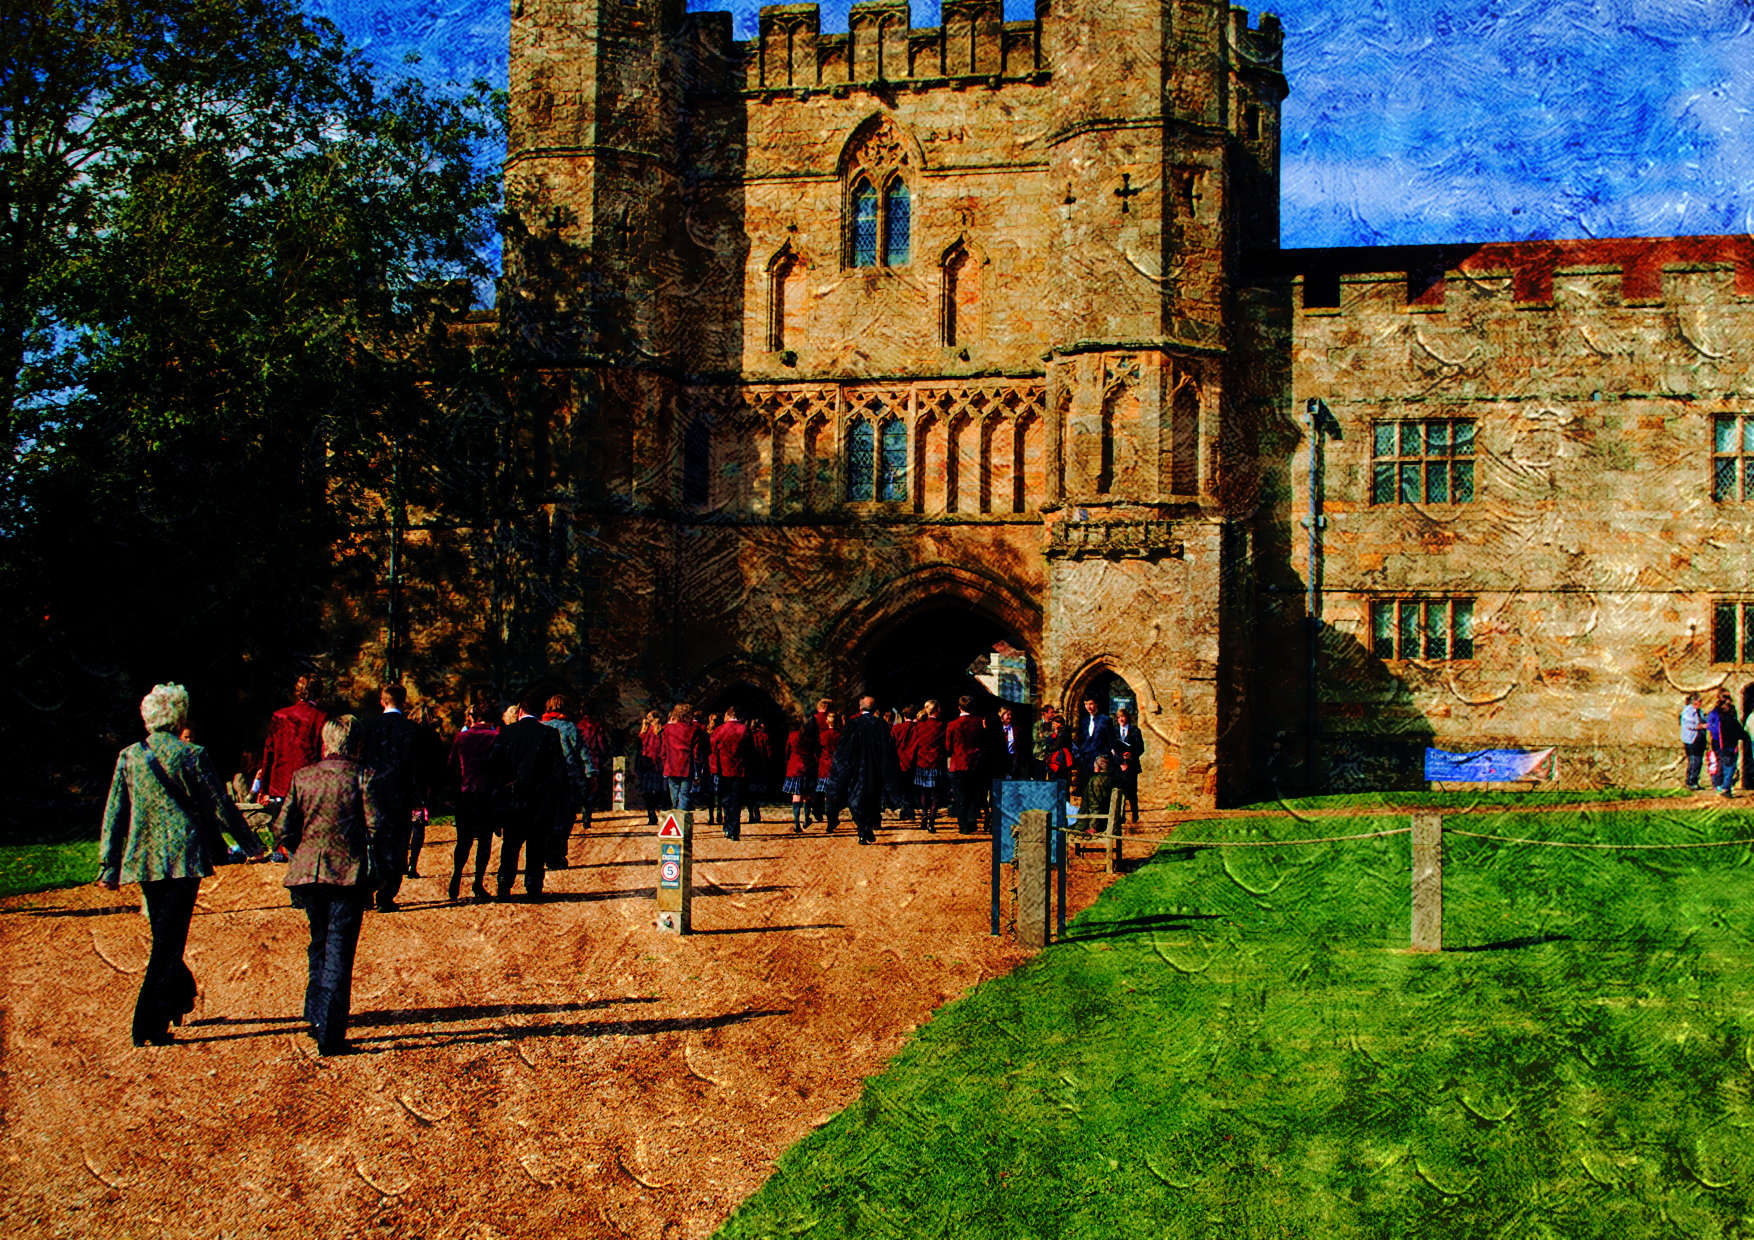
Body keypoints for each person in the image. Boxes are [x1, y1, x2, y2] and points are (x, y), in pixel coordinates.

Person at [97, 683, 266, 1047]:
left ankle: (177, 997)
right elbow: (221, 805)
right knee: (168, 943)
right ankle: (147, 1023)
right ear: (179, 717)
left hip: (144, 859)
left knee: (165, 937)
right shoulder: (192, 755)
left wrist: (109, 865)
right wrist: (252, 844)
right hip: (184, 859)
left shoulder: (129, 756)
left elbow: (115, 813)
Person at [278, 714, 385, 1057]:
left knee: (319, 943)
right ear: (356, 745)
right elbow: (376, 827)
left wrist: (301, 850)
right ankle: (331, 1032)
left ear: (325, 743)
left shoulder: (303, 777)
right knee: (339, 949)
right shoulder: (363, 776)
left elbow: (282, 828)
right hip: (346, 874)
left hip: (309, 873)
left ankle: (315, 1014)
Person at [253, 673, 327, 856]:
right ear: (319, 693)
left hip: (280, 784)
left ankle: (280, 852)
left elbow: (269, 753)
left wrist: (264, 788)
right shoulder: (321, 718)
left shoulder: (279, 716)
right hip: (308, 783)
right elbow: (322, 755)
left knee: (282, 826)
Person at [360, 684, 420, 911]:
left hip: (371, 792)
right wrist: (417, 796)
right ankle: (386, 895)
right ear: (404, 702)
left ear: (382, 701)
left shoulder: (367, 727)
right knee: (397, 844)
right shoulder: (411, 729)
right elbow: (416, 766)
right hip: (400, 793)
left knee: (370, 843)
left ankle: (366, 892)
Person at [447, 695, 501, 902]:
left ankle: (456, 875)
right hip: (488, 795)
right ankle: (478, 882)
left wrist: (452, 793)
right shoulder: (496, 737)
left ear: (475, 717)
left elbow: (452, 766)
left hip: (466, 794)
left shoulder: (462, 738)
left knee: (463, 840)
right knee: (484, 841)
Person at [828, 695, 902, 845]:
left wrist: (841, 768)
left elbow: (843, 749)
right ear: (874, 709)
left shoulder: (852, 724)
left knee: (856, 800)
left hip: (855, 768)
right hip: (875, 768)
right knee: (872, 799)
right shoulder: (880, 724)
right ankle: (867, 827)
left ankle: (862, 829)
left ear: (860, 708)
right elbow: (888, 749)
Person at [541, 693, 592, 868]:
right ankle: (557, 854)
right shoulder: (570, 728)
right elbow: (583, 754)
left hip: (545, 779)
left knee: (547, 816)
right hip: (568, 778)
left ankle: (547, 851)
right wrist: (590, 774)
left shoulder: (540, 727)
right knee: (565, 817)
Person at [711, 706, 754, 840]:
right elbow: (750, 750)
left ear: (727, 716)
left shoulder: (719, 730)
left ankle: (727, 827)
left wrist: (714, 768)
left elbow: (713, 751)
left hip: (723, 769)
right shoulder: (744, 730)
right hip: (740, 769)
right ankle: (734, 830)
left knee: (725, 799)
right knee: (736, 800)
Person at [946, 694, 987, 834]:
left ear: (959, 707)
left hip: (959, 763)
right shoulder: (979, 722)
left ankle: (963, 825)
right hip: (976, 762)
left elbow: (948, 747)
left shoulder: (952, 725)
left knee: (960, 796)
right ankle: (972, 821)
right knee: (974, 794)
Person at [911, 699, 947, 833]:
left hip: (922, 762)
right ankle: (931, 821)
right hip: (936, 763)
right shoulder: (941, 726)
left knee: (924, 793)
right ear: (937, 710)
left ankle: (924, 815)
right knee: (935, 795)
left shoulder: (919, 725)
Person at [660, 703, 704, 812]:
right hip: (686, 766)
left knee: (674, 795)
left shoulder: (667, 729)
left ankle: (676, 815)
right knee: (684, 795)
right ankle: (681, 816)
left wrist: (664, 763)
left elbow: (663, 750)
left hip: (671, 766)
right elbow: (696, 752)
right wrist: (698, 769)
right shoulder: (693, 730)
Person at [1110, 706, 1145, 824]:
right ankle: (1121, 816)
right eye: (1119, 717)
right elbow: (1112, 749)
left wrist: (1131, 755)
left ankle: (1135, 814)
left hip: (1132, 766)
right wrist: (1120, 761)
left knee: (1132, 791)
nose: (1121, 719)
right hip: (1118, 765)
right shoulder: (1114, 732)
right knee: (1119, 790)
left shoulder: (1135, 731)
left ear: (1127, 718)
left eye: (1123, 717)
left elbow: (1141, 748)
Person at [1708, 690, 1745, 799]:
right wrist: (1744, 736)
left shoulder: (1716, 713)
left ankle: (1721, 785)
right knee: (1730, 766)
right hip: (1727, 744)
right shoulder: (1728, 716)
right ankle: (1724, 787)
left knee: (1723, 764)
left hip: (1721, 743)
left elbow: (1712, 727)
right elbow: (1736, 729)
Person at [782, 716, 816, 834]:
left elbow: (787, 751)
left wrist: (788, 762)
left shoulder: (792, 736)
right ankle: (806, 819)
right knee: (807, 795)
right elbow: (816, 752)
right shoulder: (810, 737)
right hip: (808, 768)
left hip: (794, 768)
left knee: (796, 795)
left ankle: (796, 823)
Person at [814, 709, 842, 832]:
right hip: (837, 766)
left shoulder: (823, 735)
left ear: (827, 721)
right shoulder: (841, 735)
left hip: (824, 766)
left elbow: (817, 750)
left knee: (825, 794)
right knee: (834, 795)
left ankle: (824, 816)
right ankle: (832, 819)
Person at [637, 710, 666, 824]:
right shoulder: (646, 731)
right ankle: (651, 813)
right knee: (648, 791)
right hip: (648, 765)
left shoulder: (661, 732)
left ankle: (653, 812)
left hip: (657, 765)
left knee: (656, 790)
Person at [1076, 697, 1115, 777]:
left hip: (1099, 757)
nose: (1088, 707)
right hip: (1086, 758)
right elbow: (1081, 738)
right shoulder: (1084, 720)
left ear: (1096, 704)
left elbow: (1111, 739)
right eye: (1086, 704)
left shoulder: (1105, 720)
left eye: (1091, 704)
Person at [892, 705, 918, 820]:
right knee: (911, 788)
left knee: (902, 787)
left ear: (903, 716)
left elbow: (891, 745)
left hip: (900, 761)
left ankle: (905, 808)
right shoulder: (917, 728)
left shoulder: (896, 728)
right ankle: (909, 809)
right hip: (914, 761)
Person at [1681, 692, 1707, 790]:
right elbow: (1690, 725)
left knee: (1699, 761)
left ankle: (1695, 780)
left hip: (1700, 738)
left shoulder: (1699, 711)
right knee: (1693, 760)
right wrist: (1702, 726)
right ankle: (1690, 781)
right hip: (1691, 739)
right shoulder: (1687, 712)